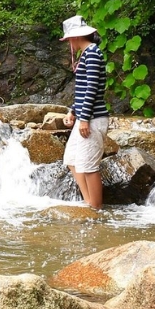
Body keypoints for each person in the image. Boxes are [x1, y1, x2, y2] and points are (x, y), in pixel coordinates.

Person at [60, 15, 109, 209]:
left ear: (75, 37)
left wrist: (84, 118)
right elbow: (81, 90)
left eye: (69, 39)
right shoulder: (86, 54)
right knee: (72, 160)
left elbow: (92, 88)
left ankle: (96, 210)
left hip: (93, 118)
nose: (68, 43)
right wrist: (73, 111)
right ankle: (89, 203)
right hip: (85, 115)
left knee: (89, 167)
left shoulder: (93, 53)